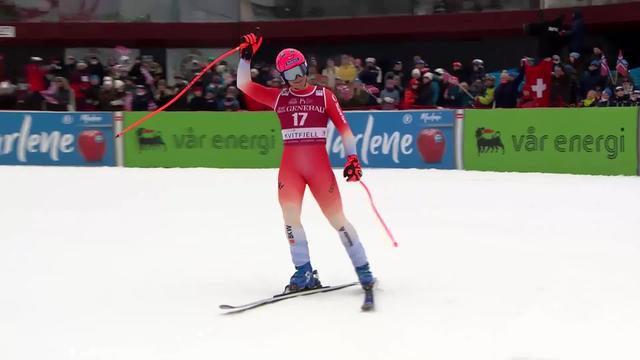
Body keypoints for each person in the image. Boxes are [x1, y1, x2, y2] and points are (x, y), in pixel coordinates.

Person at [236, 33, 375, 294]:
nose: (296, 79)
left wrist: (353, 159)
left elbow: (344, 129)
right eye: (288, 75)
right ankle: (303, 271)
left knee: (337, 220)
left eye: (298, 71)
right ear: (283, 77)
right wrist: (245, 57)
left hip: (319, 169)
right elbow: (244, 85)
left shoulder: (324, 95)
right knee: (290, 218)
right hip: (291, 170)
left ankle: (363, 268)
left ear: (305, 69)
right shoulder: (278, 98)